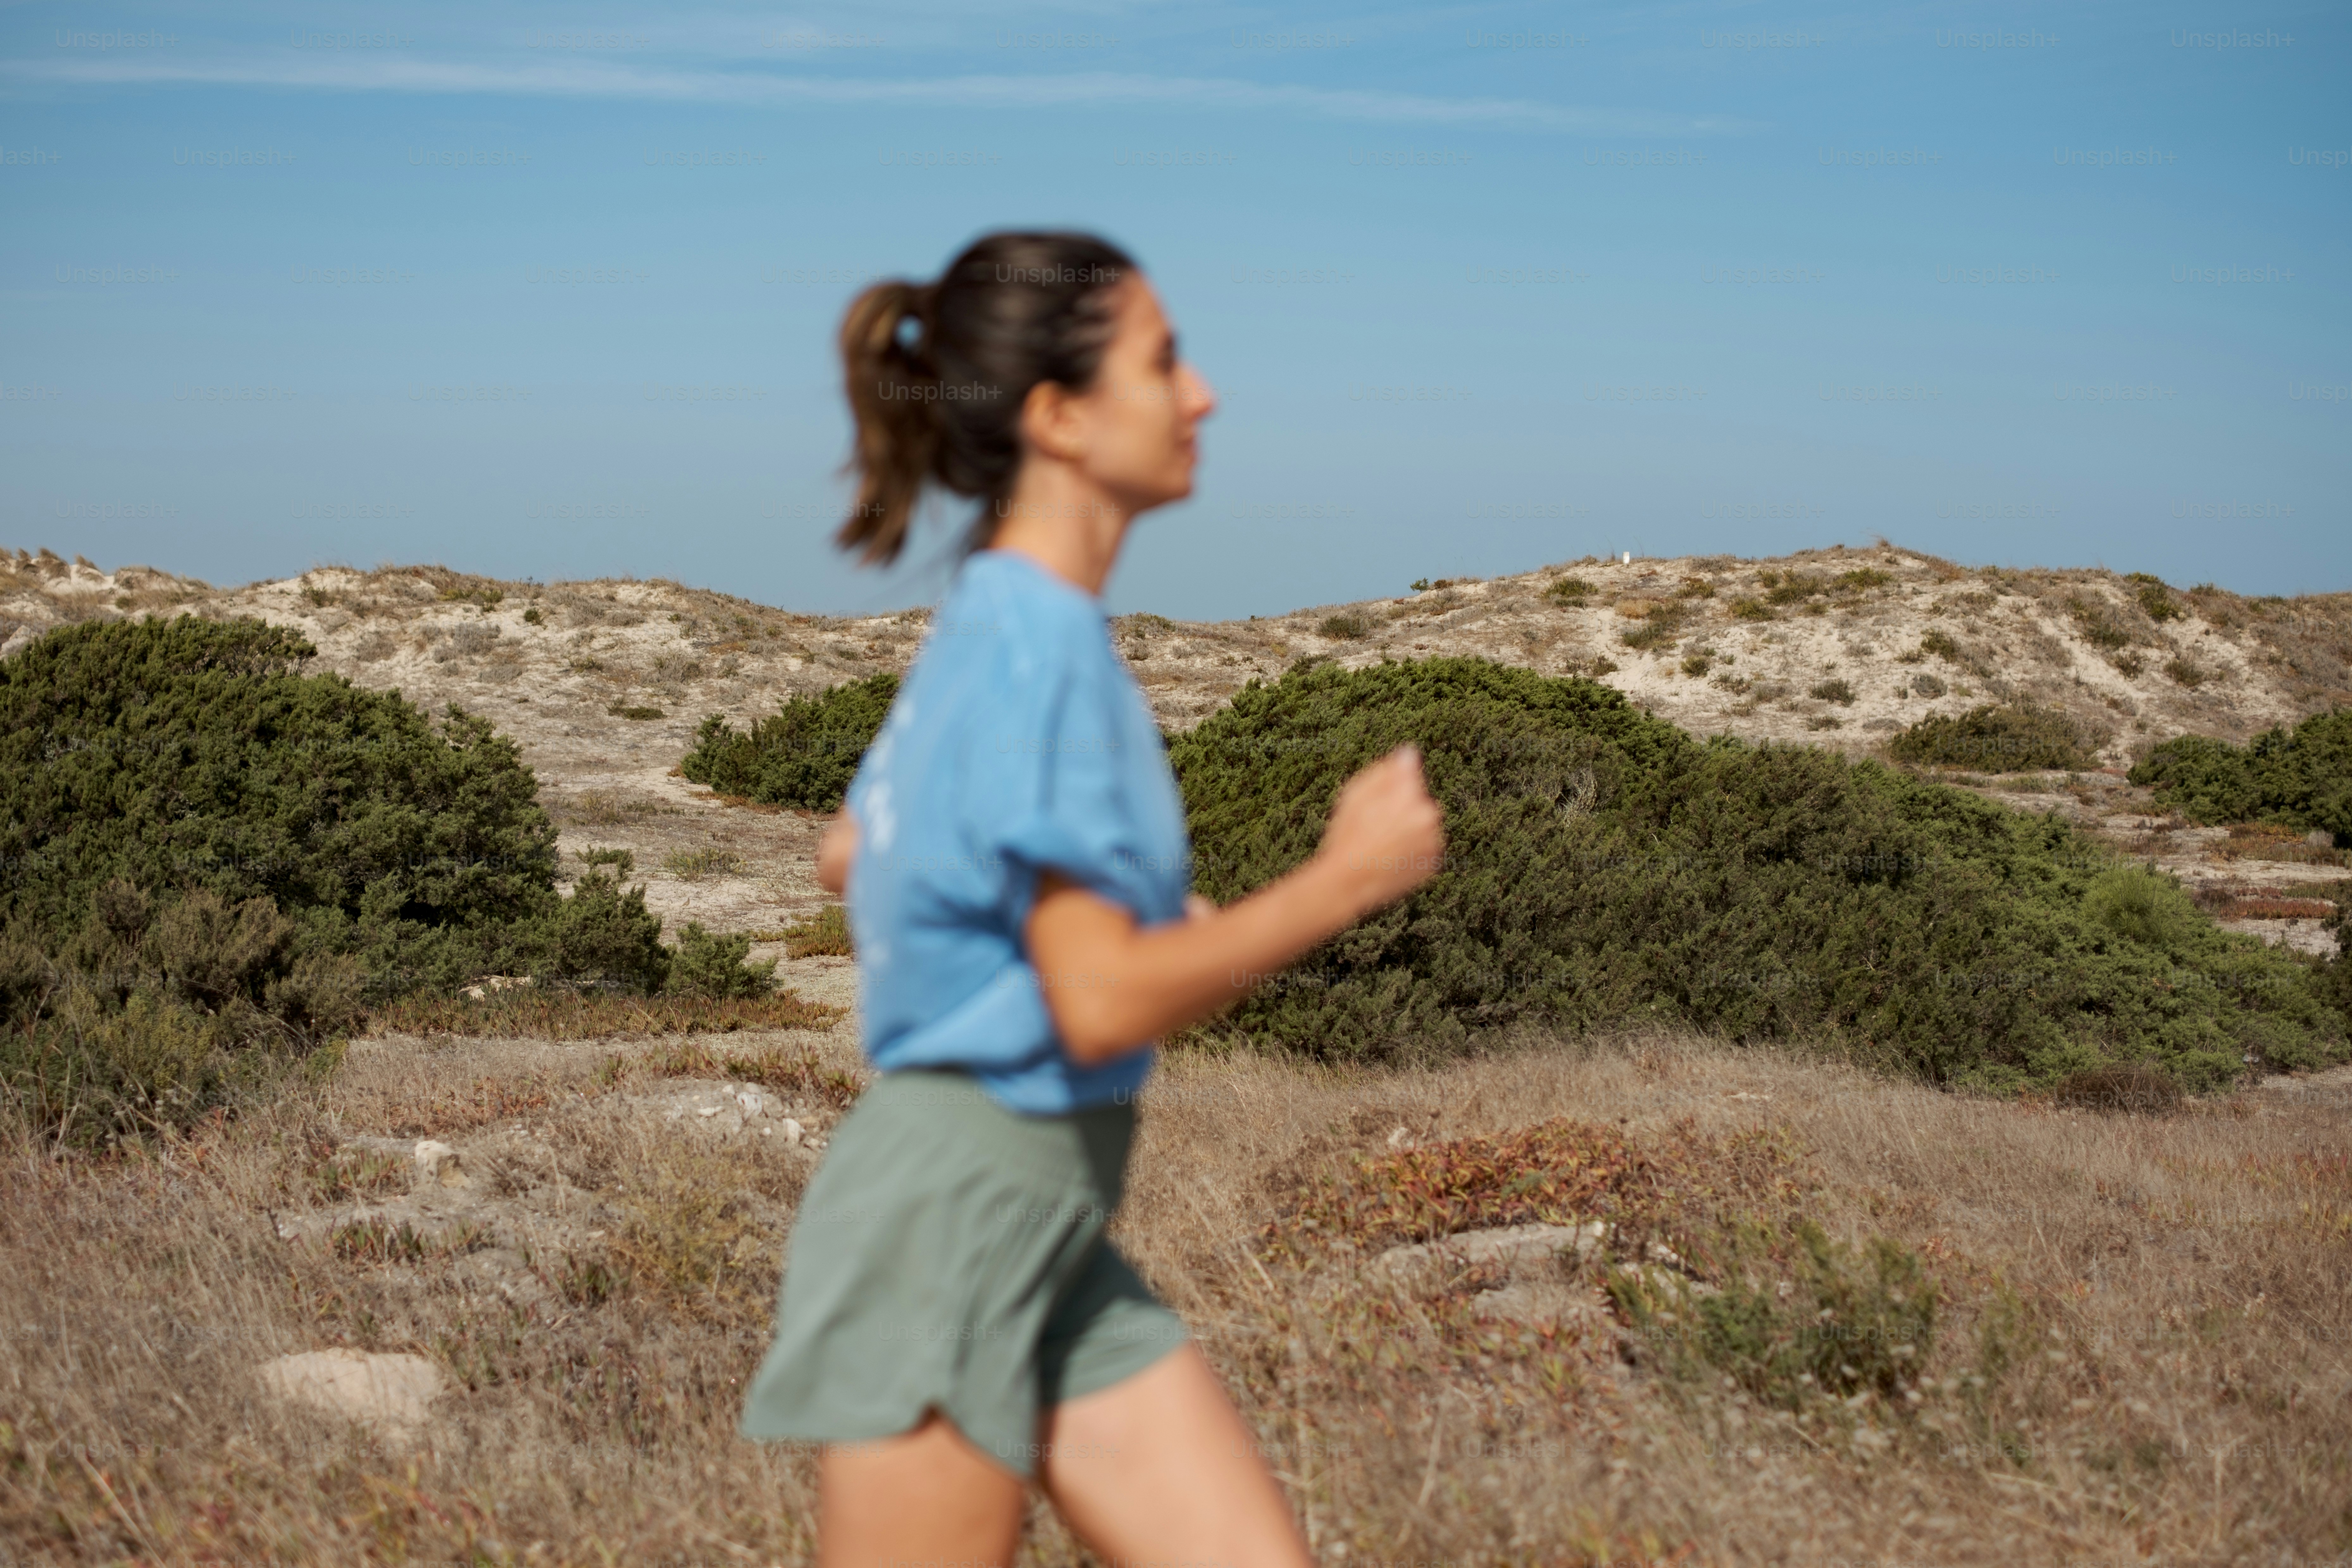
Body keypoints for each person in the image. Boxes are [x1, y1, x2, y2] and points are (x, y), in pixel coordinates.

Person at [738, 230, 1446, 1567]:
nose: (1202, 397)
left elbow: (850, 850)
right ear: (1058, 417)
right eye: (1163, 361)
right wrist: (1345, 881)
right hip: (955, 1211)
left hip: (1042, 1219)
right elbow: (1099, 993)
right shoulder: (1038, 649)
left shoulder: (990, 623)